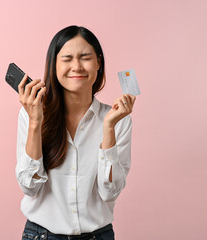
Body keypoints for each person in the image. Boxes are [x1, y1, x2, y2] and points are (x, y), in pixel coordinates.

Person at [16, 25, 136, 240]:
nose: (76, 66)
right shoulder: (31, 113)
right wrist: (35, 121)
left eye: (85, 57)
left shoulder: (119, 120)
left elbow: (110, 192)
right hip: (41, 235)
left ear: (98, 62)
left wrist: (108, 128)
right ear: (54, 65)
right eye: (67, 58)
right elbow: (29, 187)